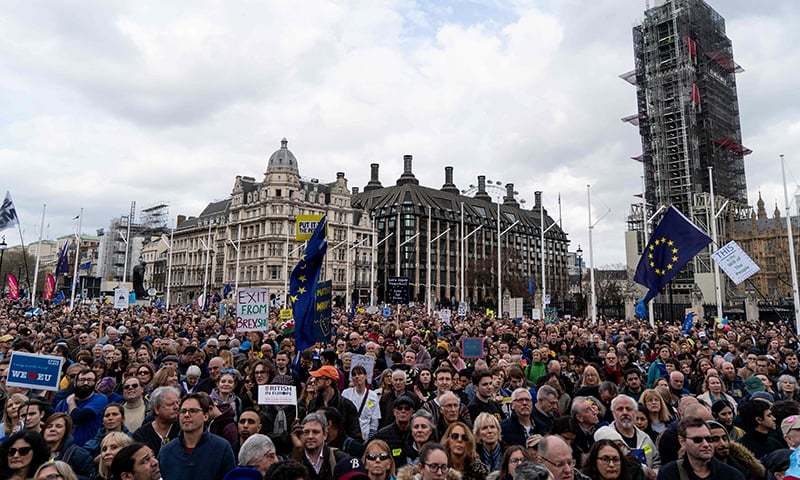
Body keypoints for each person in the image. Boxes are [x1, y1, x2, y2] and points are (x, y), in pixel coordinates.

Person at [158, 392, 236, 480]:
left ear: (205, 416)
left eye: (193, 411)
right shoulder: (166, 452)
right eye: (183, 411)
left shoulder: (222, 448)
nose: (187, 415)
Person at [656, 417, 744, 480]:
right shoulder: (669, 474)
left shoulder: (732, 475)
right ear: (682, 441)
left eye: (709, 439)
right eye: (697, 440)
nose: (706, 444)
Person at [305, 366, 363, 442]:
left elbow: (355, 435)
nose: (314, 381)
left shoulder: (347, 405)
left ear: (328, 382)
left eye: (318, 379)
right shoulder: (313, 403)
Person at [54, 368, 108, 447]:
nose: (86, 383)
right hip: (64, 448)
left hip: (87, 449)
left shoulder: (100, 399)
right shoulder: (62, 403)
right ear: (75, 383)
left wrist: (71, 402)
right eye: (82, 380)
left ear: (96, 383)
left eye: (90, 380)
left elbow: (79, 417)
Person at [290, 412, 351, 480]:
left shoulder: (339, 458)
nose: (310, 436)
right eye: (306, 432)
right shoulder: (294, 458)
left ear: (325, 435)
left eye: (315, 432)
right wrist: (298, 451)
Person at [608, 395, 658, 472]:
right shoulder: (607, 438)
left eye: (628, 409)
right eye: (620, 409)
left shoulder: (645, 438)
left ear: (635, 412)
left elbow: (656, 461)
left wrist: (654, 473)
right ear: (613, 413)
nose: (625, 412)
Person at [41, 413, 94, 480]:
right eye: (49, 426)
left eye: (58, 426)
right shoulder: (35, 453)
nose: (52, 429)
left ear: (66, 431)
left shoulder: (78, 454)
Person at [132, 386, 180, 457]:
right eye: (170, 404)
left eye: (177, 403)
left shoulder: (183, 428)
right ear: (156, 409)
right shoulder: (141, 435)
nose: (176, 407)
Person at [342, 365, 381, 442]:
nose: (357, 377)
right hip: (349, 435)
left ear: (366, 376)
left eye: (360, 374)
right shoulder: (346, 393)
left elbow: (374, 420)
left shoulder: (373, 395)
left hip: (365, 434)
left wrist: (370, 439)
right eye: (354, 375)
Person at [375, 395, 415, 468]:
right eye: (400, 408)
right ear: (394, 412)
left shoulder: (417, 433)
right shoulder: (382, 435)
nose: (403, 411)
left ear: (412, 412)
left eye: (407, 408)